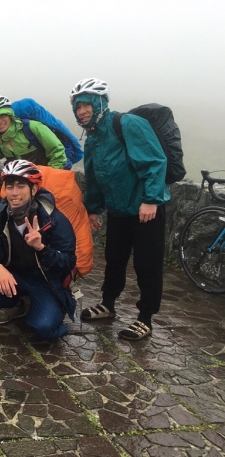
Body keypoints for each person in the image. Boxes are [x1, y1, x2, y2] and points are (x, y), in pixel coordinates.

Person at [70, 77, 170, 341]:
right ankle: (108, 304)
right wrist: (93, 208)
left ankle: (145, 318)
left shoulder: (127, 124)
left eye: (86, 105)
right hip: (118, 211)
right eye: (77, 107)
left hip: (145, 209)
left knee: (146, 264)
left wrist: (151, 199)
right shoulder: (92, 137)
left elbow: (155, 161)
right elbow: (93, 175)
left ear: (100, 102)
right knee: (114, 259)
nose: (81, 111)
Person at [0, 160, 77, 340]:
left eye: (21, 186)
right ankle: (17, 305)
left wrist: (42, 248)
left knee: (44, 329)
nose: (14, 193)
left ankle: (49, 308)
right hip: (15, 276)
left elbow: (68, 261)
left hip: (45, 282)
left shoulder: (55, 221)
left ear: (34, 190)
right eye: (10, 186)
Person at [0, 95, 67, 169]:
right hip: (23, 183)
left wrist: (51, 174)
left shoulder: (32, 127)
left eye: (2, 115)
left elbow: (57, 150)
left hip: (45, 176)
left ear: (10, 115)